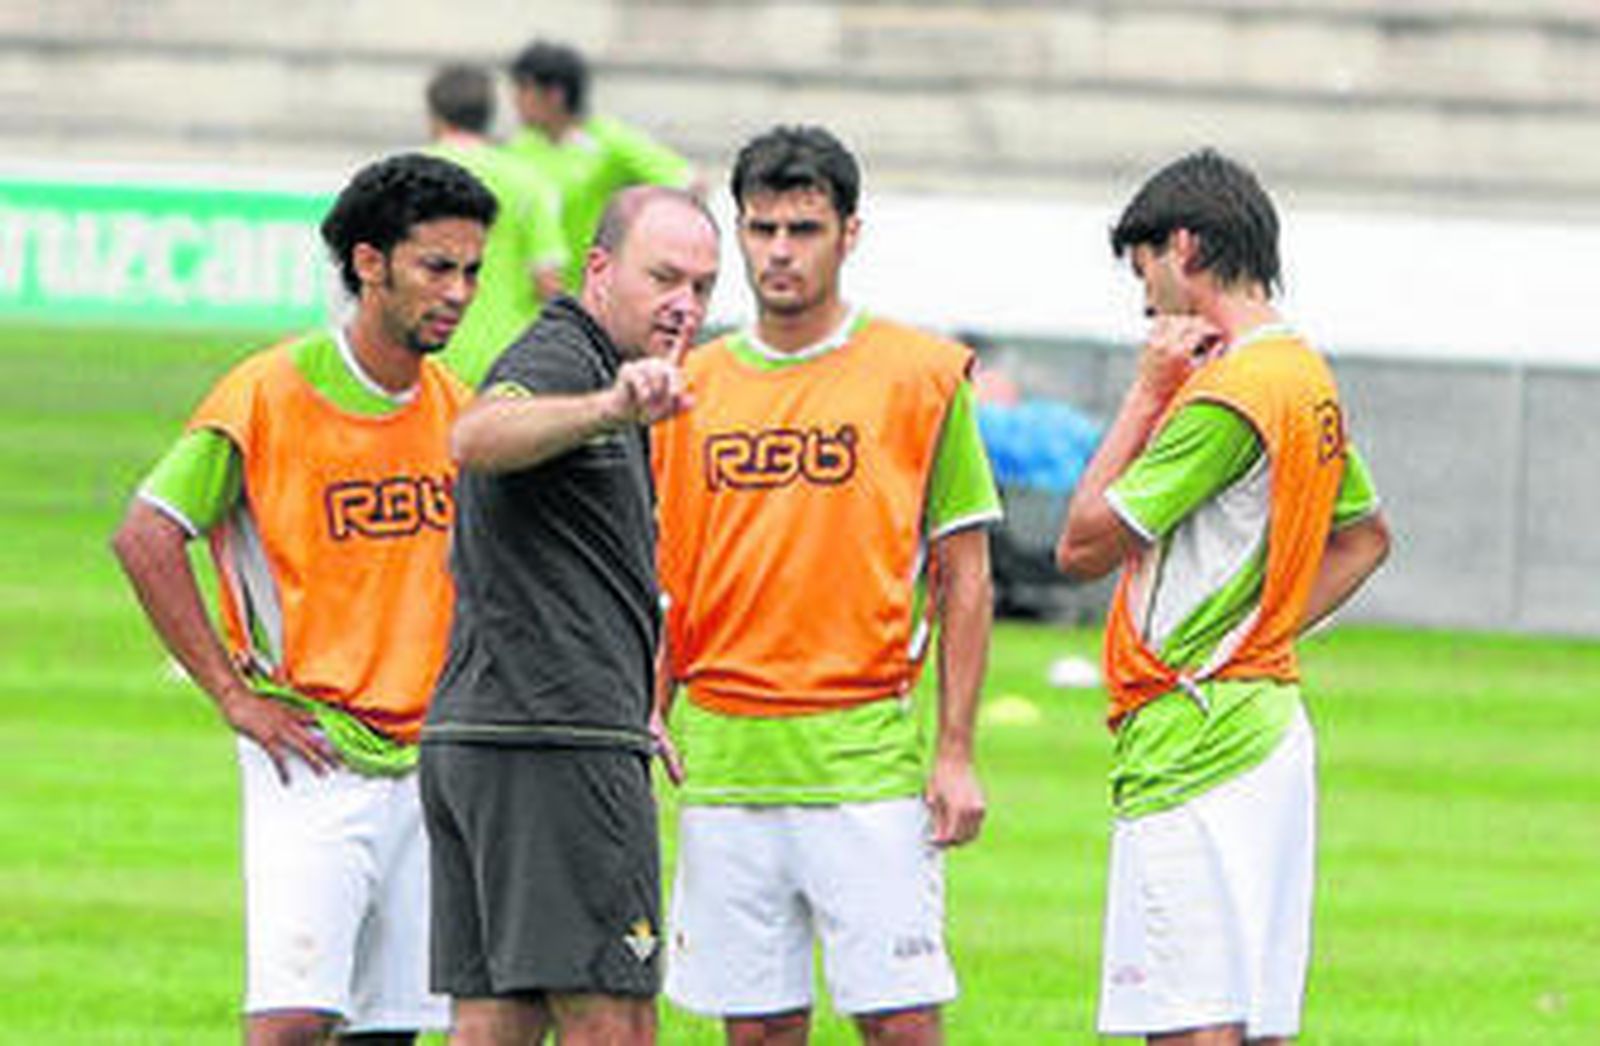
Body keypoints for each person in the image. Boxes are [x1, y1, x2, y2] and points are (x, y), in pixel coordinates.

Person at [110, 152, 496, 1044]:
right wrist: (233, 695)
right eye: (438, 267)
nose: (460, 292)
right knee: (291, 1021)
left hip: (430, 761)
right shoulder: (267, 395)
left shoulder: (459, 410)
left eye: (472, 270)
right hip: (310, 751)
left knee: (390, 1028)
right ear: (370, 262)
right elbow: (145, 534)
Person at [652, 125, 1001, 1045]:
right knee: (758, 1032)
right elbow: (667, 575)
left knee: (900, 1024)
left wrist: (956, 751)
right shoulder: (687, 388)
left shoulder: (921, 376)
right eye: (761, 228)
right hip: (724, 760)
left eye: (802, 229)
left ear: (850, 234)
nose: (779, 251)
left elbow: (965, 573)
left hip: (862, 754)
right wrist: (648, 708)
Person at [1055, 149, 1392, 1045]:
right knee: (1254, 1021)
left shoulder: (1225, 396)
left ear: (1185, 247)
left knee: (1191, 1021)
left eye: (1145, 275)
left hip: (1192, 738)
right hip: (1267, 723)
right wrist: (1259, 636)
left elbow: (1081, 545)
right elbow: (1364, 539)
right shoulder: (1304, 377)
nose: (1146, 304)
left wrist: (1145, 394)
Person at [419, 185, 719, 1045]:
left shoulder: (601, 368)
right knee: (614, 1016)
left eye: (702, 286)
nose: (685, 305)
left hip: (488, 733)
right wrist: (609, 407)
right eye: (664, 277)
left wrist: (635, 696)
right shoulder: (567, 358)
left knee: (497, 1019)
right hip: (555, 737)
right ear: (598, 269)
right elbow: (477, 437)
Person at [504, 39, 701, 294]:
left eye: (523, 88)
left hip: (593, 298)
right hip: (532, 300)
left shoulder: (608, 141)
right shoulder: (518, 148)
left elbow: (688, 184)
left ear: (555, 94)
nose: (515, 100)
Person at [425, 62, 567, 386]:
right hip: (507, 357)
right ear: (489, 115)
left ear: (434, 116)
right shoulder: (528, 181)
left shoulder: (407, 176)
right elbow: (547, 283)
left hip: (428, 353)